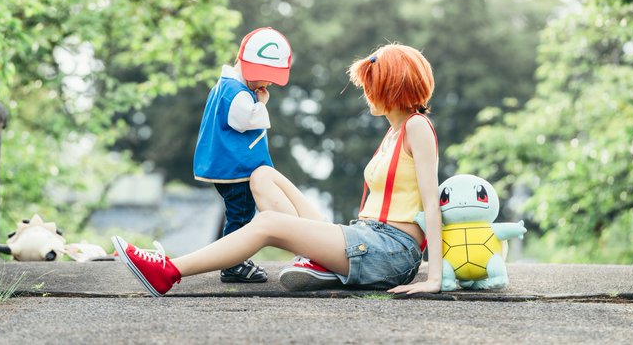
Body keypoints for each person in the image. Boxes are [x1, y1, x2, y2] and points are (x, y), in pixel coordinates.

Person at [112, 43, 442, 295]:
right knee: (263, 175)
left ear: (392, 87)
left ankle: (169, 271)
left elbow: (432, 203)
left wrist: (434, 279)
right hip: (365, 238)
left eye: (372, 84)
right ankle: (317, 259)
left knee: (268, 222)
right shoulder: (393, 133)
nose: (366, 93)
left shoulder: (416, 127)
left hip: (389, 251)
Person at [192, 27, 293, 283]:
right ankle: (233, 263)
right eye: (264, 77)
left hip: (227, 166)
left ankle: (233, 259)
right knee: (241, 217)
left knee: (238, 215)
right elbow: (246, 120)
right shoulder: (236, 93)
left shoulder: (223, 87)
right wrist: (262, 104)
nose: (268, 83)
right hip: (237, 169)